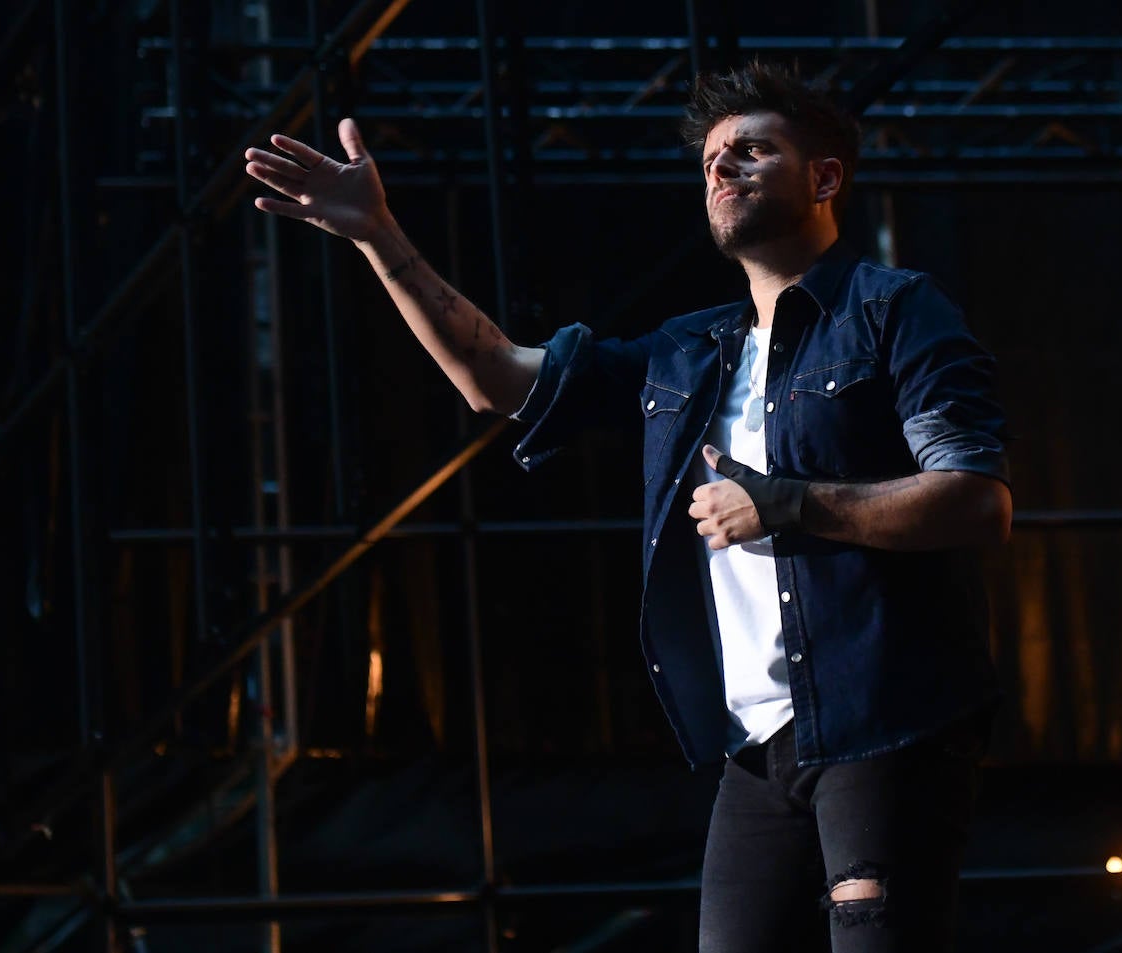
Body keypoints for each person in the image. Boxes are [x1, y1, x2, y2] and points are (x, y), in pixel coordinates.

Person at [245, 61, 1010, 953]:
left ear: (825, 178)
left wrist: (788, 504)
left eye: (752, 151)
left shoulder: (895, 312)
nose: (722, 170)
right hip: (756, 745)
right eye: (712, 160)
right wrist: (378, 234)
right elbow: (495, 377)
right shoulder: (689, 354)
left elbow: (974, 501)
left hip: (887, 722)